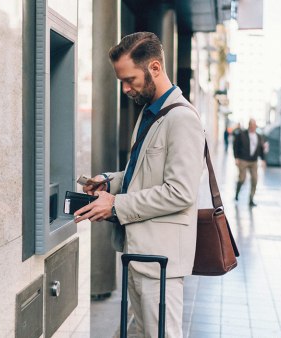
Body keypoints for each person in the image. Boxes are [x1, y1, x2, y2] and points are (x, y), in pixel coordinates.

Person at [73, 32, 204, 337]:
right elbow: (142, 172)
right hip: (140, 253)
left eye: (130, 79)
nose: (125, 88)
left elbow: (180, 192)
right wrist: (109, 182)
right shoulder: (150, 113)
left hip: (161, 260)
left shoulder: (182, 119)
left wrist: (116, 204)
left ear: (155, 67)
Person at [233, 118, 266, 207]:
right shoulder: (242, 134)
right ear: (249, 125)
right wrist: (236, 158)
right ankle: (237, 193)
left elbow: (261, 148)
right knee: (242, 179)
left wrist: (263, 159)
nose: (253, 127)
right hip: (243, 159)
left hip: (254, 161)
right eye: (251, 125)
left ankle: (251, 199)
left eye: (254, 125)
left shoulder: (258, 136)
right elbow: (235, 145)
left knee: (255, 180)